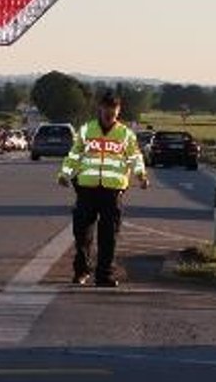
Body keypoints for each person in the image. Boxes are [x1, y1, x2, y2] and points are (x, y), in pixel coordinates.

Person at [58, 91, 148, 286]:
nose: (109, 114)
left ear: (118, 111)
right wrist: (64, 174)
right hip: (86, 188)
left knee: (108, 236)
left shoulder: (125, 134)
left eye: (113, 110)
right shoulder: (86, 130)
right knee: (82, 234)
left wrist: (141, 175)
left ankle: (104, 275)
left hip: (112, 191)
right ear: (100, 108)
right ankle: (81, 271)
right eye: (106, 109)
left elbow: (135, 157)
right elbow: (74, 155)